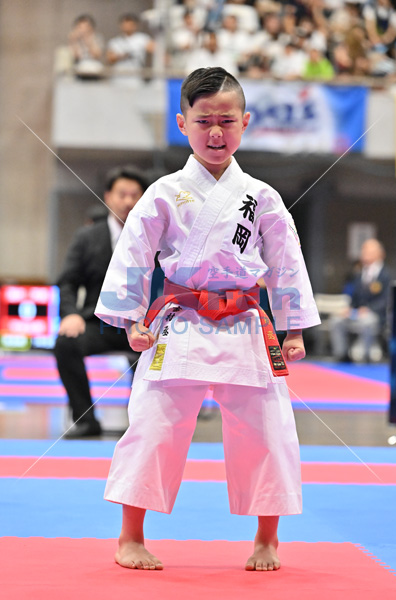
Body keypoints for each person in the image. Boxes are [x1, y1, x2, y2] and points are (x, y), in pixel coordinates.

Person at [95, 67, 320, 571]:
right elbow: (134, 254)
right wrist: (131, 320)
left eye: (226, 121)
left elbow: (286, 262)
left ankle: (267, 540)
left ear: (245, 122)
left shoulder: (262, 197)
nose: (215, 132)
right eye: (203, 121)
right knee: (152, 426)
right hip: (182, 320)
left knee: (268, 430)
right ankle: (130, 537)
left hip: (244, 321)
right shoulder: (162, 192)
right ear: (182, 124)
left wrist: (295, 328)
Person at [54, 166, 148, 438]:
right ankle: (85, 419)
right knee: (66, 343)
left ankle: (144, 423)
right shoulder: (87, 237)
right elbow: (68, 281)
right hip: (99, 323)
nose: (128, 201)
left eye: (135, 195)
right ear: (108, 197)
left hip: (143, 323)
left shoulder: (155, 236)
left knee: (167, 347)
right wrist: (70, 314)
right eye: (122, 194)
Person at [330, 238, 391, 362]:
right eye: (363, 251)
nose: (364, 254)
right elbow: (354, 297)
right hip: (357, 313)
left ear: (379, 254)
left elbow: (386, 300)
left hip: (376, 315)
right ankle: (342, 355)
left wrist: (369, 310)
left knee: (367, 322)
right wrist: (349, 308)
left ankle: (365, 356)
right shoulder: (358, 274)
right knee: (336, 321)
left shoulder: (386, 275)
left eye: (369, 251)